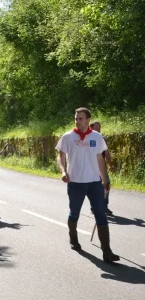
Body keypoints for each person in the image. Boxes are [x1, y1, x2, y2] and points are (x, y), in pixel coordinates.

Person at [55, 107, 119, 263]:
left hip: (94, 183)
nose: (77, 121)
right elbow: (60, 156)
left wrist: (105, 180)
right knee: (74, 213)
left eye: (80, 118)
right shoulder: (68, 137)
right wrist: (63, 171)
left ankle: (107, 252)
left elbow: (100, 159)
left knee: (101, 214)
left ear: (88, 120)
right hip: (75, 182)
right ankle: (74, 239)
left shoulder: (97, 137)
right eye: (76, 118)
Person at [90, 121, 113, 215]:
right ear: (91, 128)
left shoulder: (101, 138)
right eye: (96, 128)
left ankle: (104, 206)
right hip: (91, 167)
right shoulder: (89, 138)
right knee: (95, 188)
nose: (99, 130)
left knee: (107, 185)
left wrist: (110, 164)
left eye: (99, 128)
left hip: (101, 167)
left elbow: (106, 153)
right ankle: (94, 207)